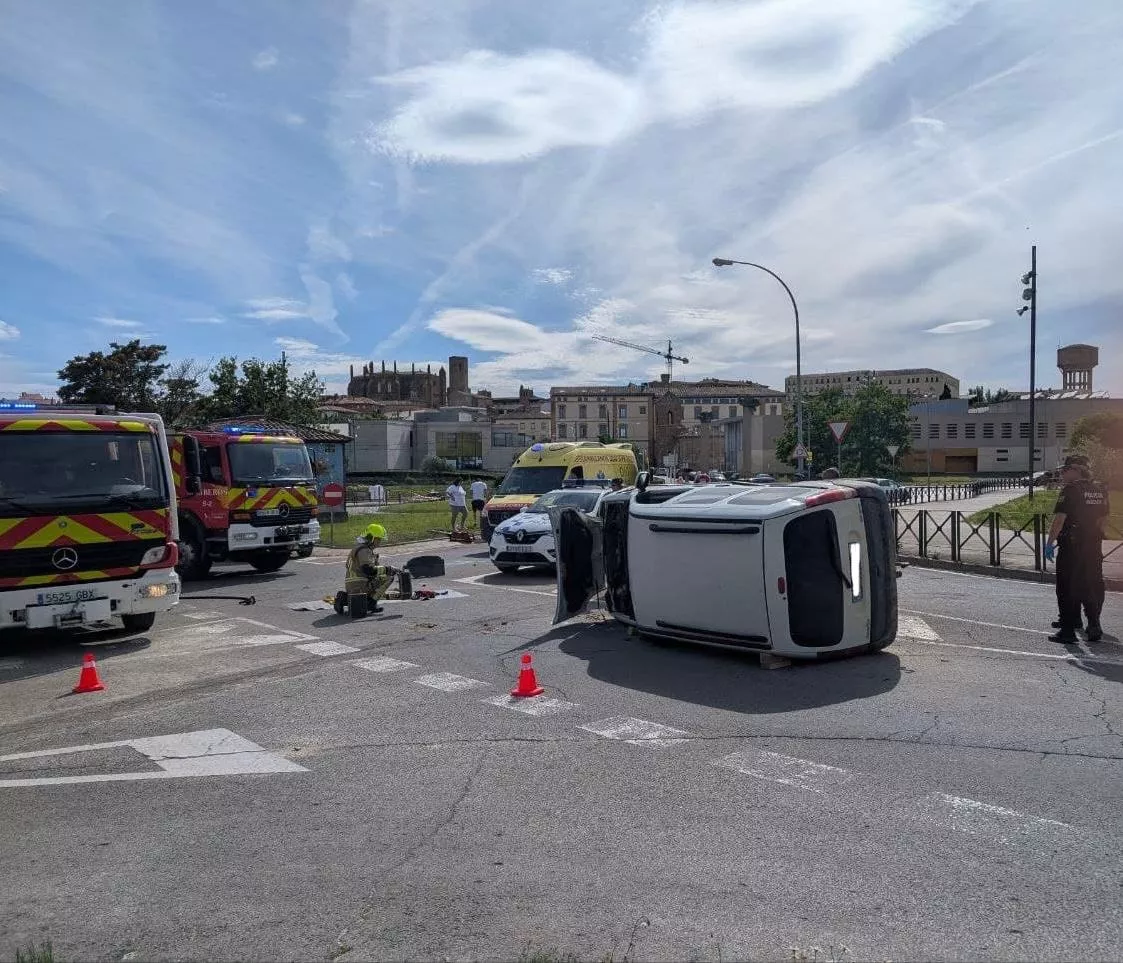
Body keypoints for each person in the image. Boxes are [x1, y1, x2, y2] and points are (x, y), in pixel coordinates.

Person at [1045, 455, 1108, 643]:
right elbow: (1103, 520)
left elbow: (1059, 520)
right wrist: (1093, 536)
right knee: (1091, 583)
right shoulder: (1100, 490)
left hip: (1072, 546)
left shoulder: (1070, 490)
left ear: (1077, 470)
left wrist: (1049, 543)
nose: (1062, 474)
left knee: (1066, 586)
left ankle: (1068, 630)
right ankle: (1093, 624)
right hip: (1093, 546)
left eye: (1065, 470)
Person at [342, 523, 396, 615]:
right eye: (378, 539)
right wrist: (388, 569)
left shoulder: (357, 548)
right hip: (361, 585)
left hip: (351, 586)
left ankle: (349, 599)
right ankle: (371, 603)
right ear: (371, 538)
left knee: (377, 577)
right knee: (389, 577)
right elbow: (368, 570)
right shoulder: (364, 550)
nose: (379, 543)